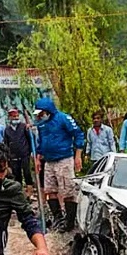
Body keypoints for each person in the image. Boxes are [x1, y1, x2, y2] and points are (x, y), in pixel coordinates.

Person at [34, 97, 85, 233]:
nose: (39, 116)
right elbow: (40, 142)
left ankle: (70, 221)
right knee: (50, 190)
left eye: (41, 113)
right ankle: (58, 218)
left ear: (48, 111)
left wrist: (78, 155)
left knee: (68, 191)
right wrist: (38, 158)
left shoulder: (63, 118)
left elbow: (78, 134)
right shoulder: (42, 124)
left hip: (64, 159)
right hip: (49, 161)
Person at [4, 109, 34, 198]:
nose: (16, 118)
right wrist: (7, 157)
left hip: (25, 154)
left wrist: (31, 152)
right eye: (13, 116)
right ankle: (20, 194)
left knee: (27, 173)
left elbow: (30, 140)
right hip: (13, 156)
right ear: (9, 117)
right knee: (17, 175)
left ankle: (30, 193)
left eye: (17, 116)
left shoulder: (24, 127)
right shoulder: (7, 130)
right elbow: (6, 144)